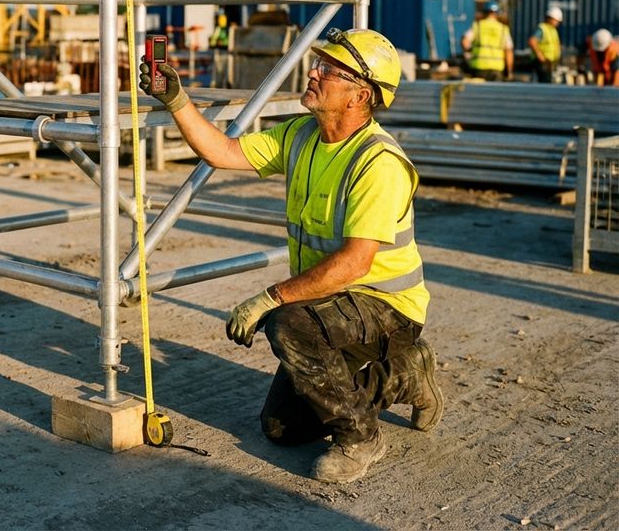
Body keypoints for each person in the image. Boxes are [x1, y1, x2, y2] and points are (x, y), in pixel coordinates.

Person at [139, 27, 443, 484]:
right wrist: (177, 100)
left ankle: (361, 439)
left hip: (387, 307)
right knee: (282, 428)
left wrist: (271, 297)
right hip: (332, 302)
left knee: (288, 324)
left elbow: (356, 263)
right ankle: (406, 374)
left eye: (329, 70)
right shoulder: (302, 135)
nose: (314, 73)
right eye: (317, 65)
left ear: (360, 95)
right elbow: (223, 152)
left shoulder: (378, 163)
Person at [461, 0, 514, 80]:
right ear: (497, 13)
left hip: (478, 66)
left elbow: (464, 42)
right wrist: (509, 71)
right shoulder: (503, 29)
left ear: (484, 12)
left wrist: (470, 53)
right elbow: (508, 51)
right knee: (493, 92)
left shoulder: (477, 26)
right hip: (497, 68)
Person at [528, 5, 563, 83]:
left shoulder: (553, 30)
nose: (557, 23)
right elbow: (532, 41)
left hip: (549, 62)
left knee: (548, 83)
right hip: (542, 62)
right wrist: (540, 55)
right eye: (556, 20)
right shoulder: (542, 28)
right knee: (544, 83)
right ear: (550, 18)